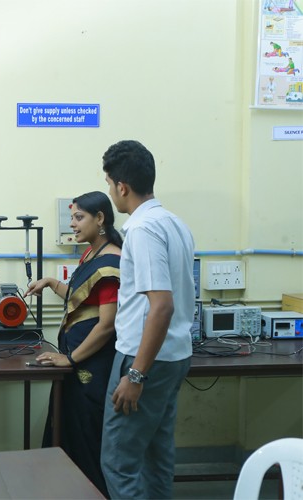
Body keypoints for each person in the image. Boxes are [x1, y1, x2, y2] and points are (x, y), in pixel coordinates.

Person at [99, 140, 195, 499]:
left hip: (144, 361)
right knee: (157, 457)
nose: (111, 192)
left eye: (110, 184)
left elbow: (162, 306)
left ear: (121, 186)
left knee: (119, 462)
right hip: (173, 357)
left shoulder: (141, 230)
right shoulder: (175, 223)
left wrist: (135, 375)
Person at [24, 191, 121, 497]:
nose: (73, 225)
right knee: (67, 435)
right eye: (72, 218)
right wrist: (52, 283)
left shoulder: (112, 262)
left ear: (100, 219)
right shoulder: (91, 254)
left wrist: (71, 359)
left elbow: (107, 324)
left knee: (87, 442)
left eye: (79, 218)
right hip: (78, 361)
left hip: (92, 367)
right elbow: (81, 301)